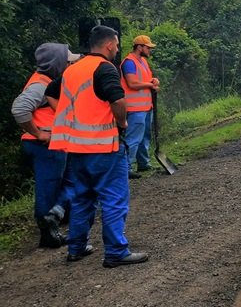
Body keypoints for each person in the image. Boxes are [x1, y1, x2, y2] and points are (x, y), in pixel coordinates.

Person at [48, 25, 148, 267]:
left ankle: (76, 248)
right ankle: (115, 251)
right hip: (105, 147)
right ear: (110, 45)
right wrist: (122, 122)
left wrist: (72, 120)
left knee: (83, 199)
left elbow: (51, 93)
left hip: (76, 148)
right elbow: (118, 99)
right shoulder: (105, 68)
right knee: (114, 198)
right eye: (115, 43)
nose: (115, 48)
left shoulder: (72, 71)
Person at [11, 43, 80, 248]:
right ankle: (48, 234)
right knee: (48, 189)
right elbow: (19, 109)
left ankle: (56, 218)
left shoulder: (48, 81)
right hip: (45, 145)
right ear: (57, 63)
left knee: (67, 182)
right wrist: (38, 132)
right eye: (67, 61)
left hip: (51, 144)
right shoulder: (41, 85)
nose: (70, 65)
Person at [120, 35, 160, 178]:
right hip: (135, 108)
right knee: (133, 138)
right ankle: (127, 167)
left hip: (145, 106)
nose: (149, 50)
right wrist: (150, 85)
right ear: (139, 47)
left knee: (144, 137)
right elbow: (132, 83)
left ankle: (143, 163)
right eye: (148, 47)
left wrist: (153, 80)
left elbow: (145, 79)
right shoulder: (129, 62)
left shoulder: (142, 61)